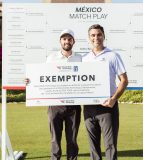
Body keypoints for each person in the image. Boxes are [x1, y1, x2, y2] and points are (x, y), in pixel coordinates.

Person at [26, 29, 81, 160]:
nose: (66, 41)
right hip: (55, 105)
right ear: (60, 41)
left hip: (74, 106)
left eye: (69, 39)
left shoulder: (80, 58)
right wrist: (30, 81)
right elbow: (42, 76)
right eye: (64, 39)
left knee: (72, 139)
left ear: (73, 41)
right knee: (55, 138)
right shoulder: (51, 58)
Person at [82, 24, 128, 160]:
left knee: (110, 145)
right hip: (89, 107)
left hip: (108, 106)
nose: (96, 38)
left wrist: (113, 99)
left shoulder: (113, 56)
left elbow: (124, 80)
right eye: (93, 35)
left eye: (99, 34)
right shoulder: (84, 58)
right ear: (89, 38)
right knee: (93, 146)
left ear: (104, 36)